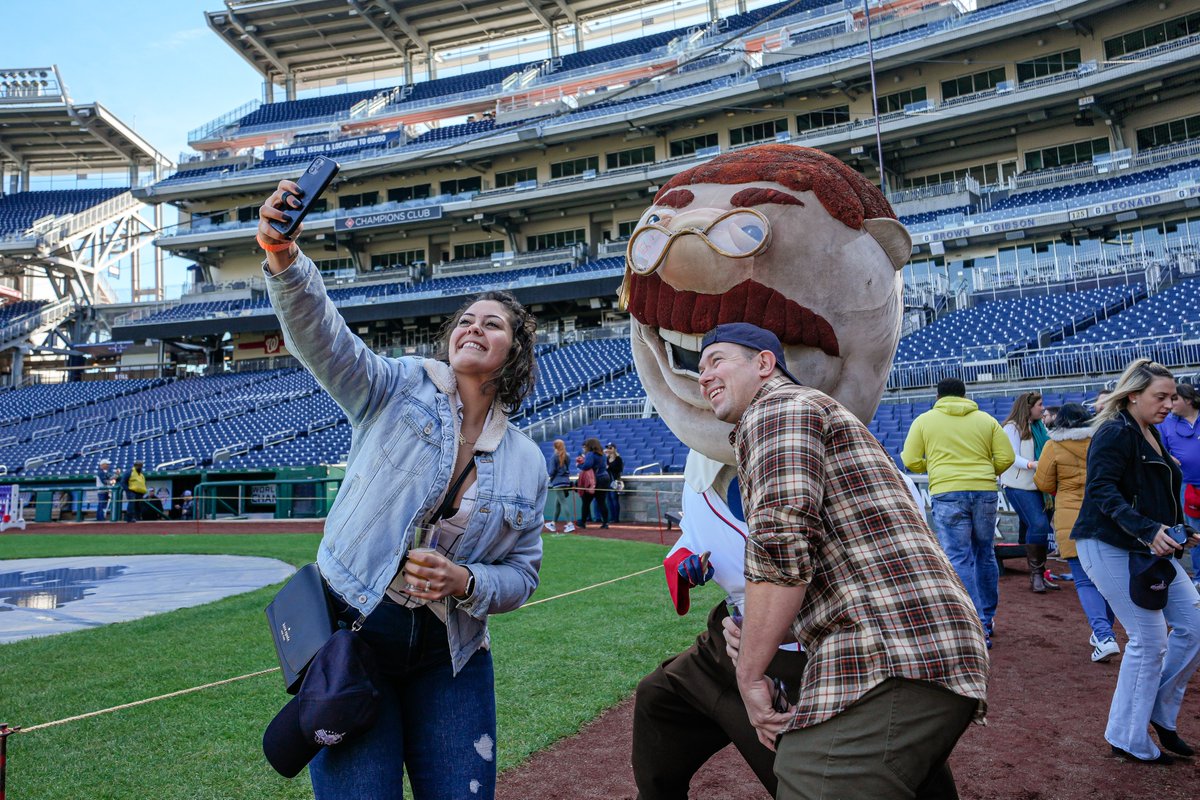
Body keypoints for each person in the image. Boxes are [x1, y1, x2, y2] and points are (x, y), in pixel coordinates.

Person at [259, 179, 547, 799]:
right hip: (353, 638)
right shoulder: (394, 387)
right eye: (466, 319)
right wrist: (284, 258)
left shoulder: (527, 461)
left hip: (453, 656)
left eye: (492, 324)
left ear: (514, 352)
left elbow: (524, 574)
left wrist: (464, 581)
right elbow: (324, 340)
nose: (473, 327)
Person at [698, 323, 989, 799]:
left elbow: (782, 540)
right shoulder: (808, 411)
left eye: (717, 361)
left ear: (765, 364)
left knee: (810, 776)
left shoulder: (776, 408)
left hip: (888, 650)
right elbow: (845, 571)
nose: (703, 376)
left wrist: (750, 672)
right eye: (699, 367)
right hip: (913, 641)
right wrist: (758, 632)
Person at [632, 446, 807, 799]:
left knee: (802, 773)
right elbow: (692, 532)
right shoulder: (702, 460)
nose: (706, 386)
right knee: (659, 697)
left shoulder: (797, 450)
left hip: (807, 648)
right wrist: (687, 562)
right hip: (728, 637)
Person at [1072, 358, 1200, 764]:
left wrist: (1178, 530)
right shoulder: (1114, 432)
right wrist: (1148, 529)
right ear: (1132, 395)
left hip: (1147, 545)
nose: (1168, 404)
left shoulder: (1150, 432)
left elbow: (1156, 492)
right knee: (1149, 641)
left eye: (1172, 397)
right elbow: (1103, 492)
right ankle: (1128, 737)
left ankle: (1157, 714)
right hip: (1107, 543)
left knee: (1195, 626)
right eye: (1159, 396)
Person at [902, 377, 1014, 645]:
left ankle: (971, 621)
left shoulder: (925, 421)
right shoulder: (986, 420)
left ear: (938, 396)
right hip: (984, 491)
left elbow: (910, 460)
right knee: (984, 554)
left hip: (948, 492)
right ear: (965, 395)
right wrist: (986, 472)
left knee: (958, 557)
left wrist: (937, 469)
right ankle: (986, 618)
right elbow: (1006, 458)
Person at [1034, 403, 1120, 662]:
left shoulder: (1054, 445)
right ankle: (1105, 632)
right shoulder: (1102, 440)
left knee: (1084, 580)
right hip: (1106, 512)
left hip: (1071, 516)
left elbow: (1044, 482)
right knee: (1109, 580)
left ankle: (1104, 636)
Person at [1000, 391, 1059, 592]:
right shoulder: (1011, 427)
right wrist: (1033, 464)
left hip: (1042, 486)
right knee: (1039, 525)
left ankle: (1040, 574)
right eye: (1039, 405)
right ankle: (1036, 575)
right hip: (1019, 486)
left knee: (1035, 527)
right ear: (1028, 407)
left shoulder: (1039, 426)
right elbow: (1011, 456)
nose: (1043, 408)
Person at [1159, 383, 1200, 588]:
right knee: (1195, 533)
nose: (1170, 403)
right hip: (1186, 486)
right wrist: (1169, 458)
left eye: (1175, 398)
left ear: (1189, 400)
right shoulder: (1165, 423)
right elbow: (1159, 451)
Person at [577, 437, 610, 529]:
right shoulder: (603, 454)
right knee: (602, 502)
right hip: (605, 478)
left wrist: (579, 465)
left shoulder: (590, 454)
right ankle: (605, 523)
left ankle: (583, 522)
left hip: (594, 480)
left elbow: (587, 466)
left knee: (586, 501)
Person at [544, 439, 575, 533]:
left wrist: (549, 478)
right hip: (566, 481)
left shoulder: (554, 456)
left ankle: (569, 524)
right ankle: (553, 523)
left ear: (554, 447)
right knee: (558, 503)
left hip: (557, 482)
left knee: (563, 502)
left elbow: (552, 471)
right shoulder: (568, 455)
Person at [604, 442, 624, 524]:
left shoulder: (618, 458)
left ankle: (616, 518)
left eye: (610, 448)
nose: (609, 449)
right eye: (608, 448)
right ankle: (612, 517)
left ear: (614, 449)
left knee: (614, 499)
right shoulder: (607, 458)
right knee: (609, 500)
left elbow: (619, 470)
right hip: (608, 481)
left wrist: (609, 467)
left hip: (615, 481)